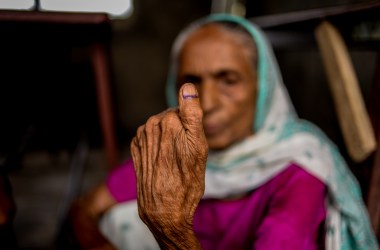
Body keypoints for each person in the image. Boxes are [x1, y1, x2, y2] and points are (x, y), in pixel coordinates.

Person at [68, 14, 378, 249]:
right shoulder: (173, 153)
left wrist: (175, 236)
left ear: (263, 89)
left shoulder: (299, 167)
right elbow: (86, 209)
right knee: (120, 219)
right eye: (192, 81)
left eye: (228, 79)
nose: (207, 103)